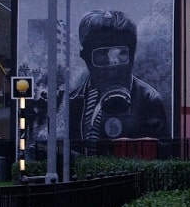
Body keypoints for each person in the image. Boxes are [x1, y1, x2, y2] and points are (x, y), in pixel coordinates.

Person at [67, 10, 167, 143]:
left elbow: (159, 152)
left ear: (132, 56)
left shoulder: (148, 100)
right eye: (102, 54)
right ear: (85, 57)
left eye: (121, 53)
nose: (113, 64)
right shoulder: (73, 101)